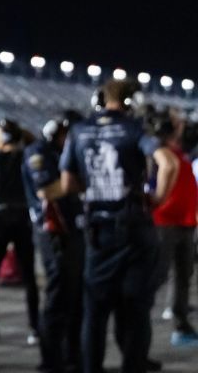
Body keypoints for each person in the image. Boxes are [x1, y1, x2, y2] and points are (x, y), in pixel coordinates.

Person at [59, 80, 162, 373]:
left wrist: (92, 188)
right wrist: (157, 198)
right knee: (136, 310)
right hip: (133, 229)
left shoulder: (79, 131)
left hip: (97, 231)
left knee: (95, 313)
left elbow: (67, 183)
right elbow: (166, 162)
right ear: (132, 101)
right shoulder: (134, 129)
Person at [24, 112, 86, 373]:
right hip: (53, 234)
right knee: (59, 296)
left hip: (73, 231)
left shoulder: (65, 153)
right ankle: (50, 361)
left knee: (77, 298)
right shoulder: (37, 152)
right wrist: (84, 180)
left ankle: (73, 357)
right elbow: (47, 189)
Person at [0, 118, 40, 344]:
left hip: (0, 216)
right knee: (28, 275)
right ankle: (34, 327)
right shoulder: (26, 158)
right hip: (22, 217)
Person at [150, 107, 197, 347]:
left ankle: (181, 323)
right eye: (177, 123)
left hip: (185, 223)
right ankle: (137, 320)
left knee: (183, 276)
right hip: (164, 223)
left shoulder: (180, 152)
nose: (183, 126)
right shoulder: (158, 152)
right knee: (157, 275)